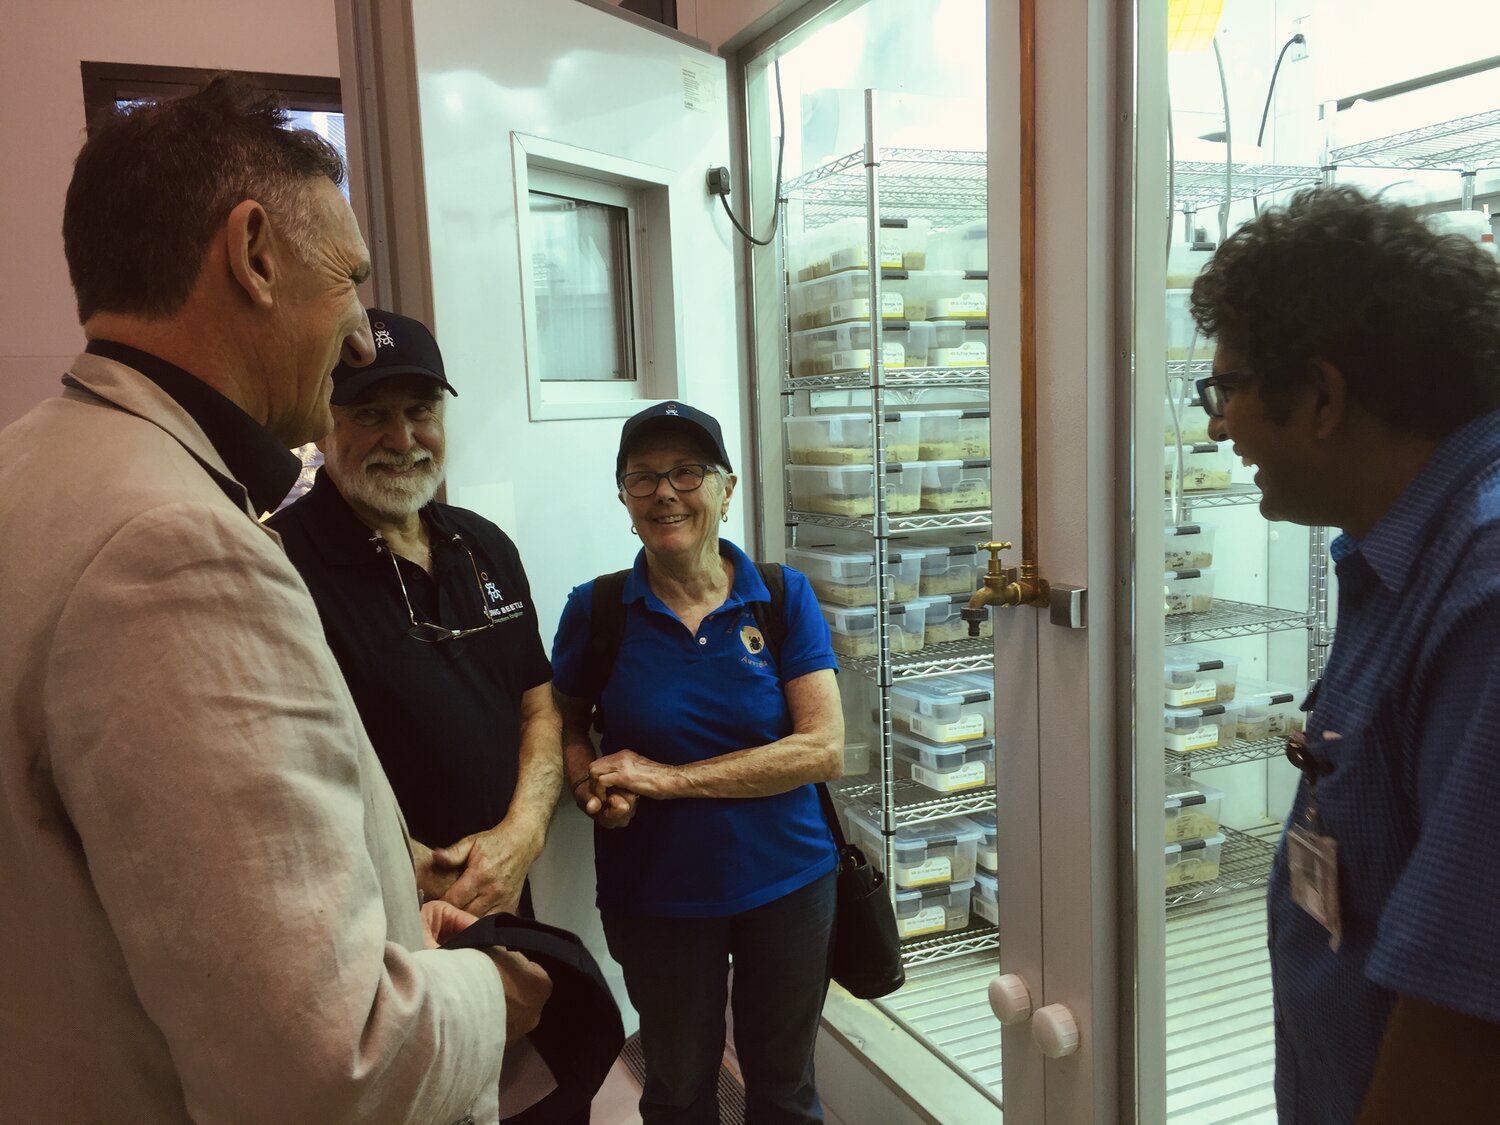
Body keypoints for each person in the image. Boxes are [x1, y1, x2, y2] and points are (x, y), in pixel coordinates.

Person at [0, 77, 549, 1124]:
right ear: (254, 255)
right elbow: (326, 1061)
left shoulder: (34, 467)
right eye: (350, 281)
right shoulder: (178, 549)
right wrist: (500, 992)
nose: (355, 335)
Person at [1190, 184, 1500, 1124]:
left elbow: (1467, 1022)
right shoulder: (1407, 553)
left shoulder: (1485, 591)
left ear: (1321, 395)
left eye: (1229, 389)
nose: (1216, 424)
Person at [550, 401, 844, 1124]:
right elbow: (563, 729)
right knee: (679, 1087)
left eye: (687, 471)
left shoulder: (780, 596)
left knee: (786, 1089)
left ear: (727, 487)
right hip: (657, 894)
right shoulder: (598, 611)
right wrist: (592, 783)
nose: (665, 492)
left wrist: (669, 780)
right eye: (642, 477)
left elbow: (822, 747)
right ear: (623, 497)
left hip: (788, 881)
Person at [269, 308, 563, 920]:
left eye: (420, 410)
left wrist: (521, 837)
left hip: (502, 892)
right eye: (372, 414)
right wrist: (408, 864)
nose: (402, 440)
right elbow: (275, 775)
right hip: (372, 915)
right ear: (326, 424)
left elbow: (538, 707)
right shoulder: (279, 566)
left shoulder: (484, 547)